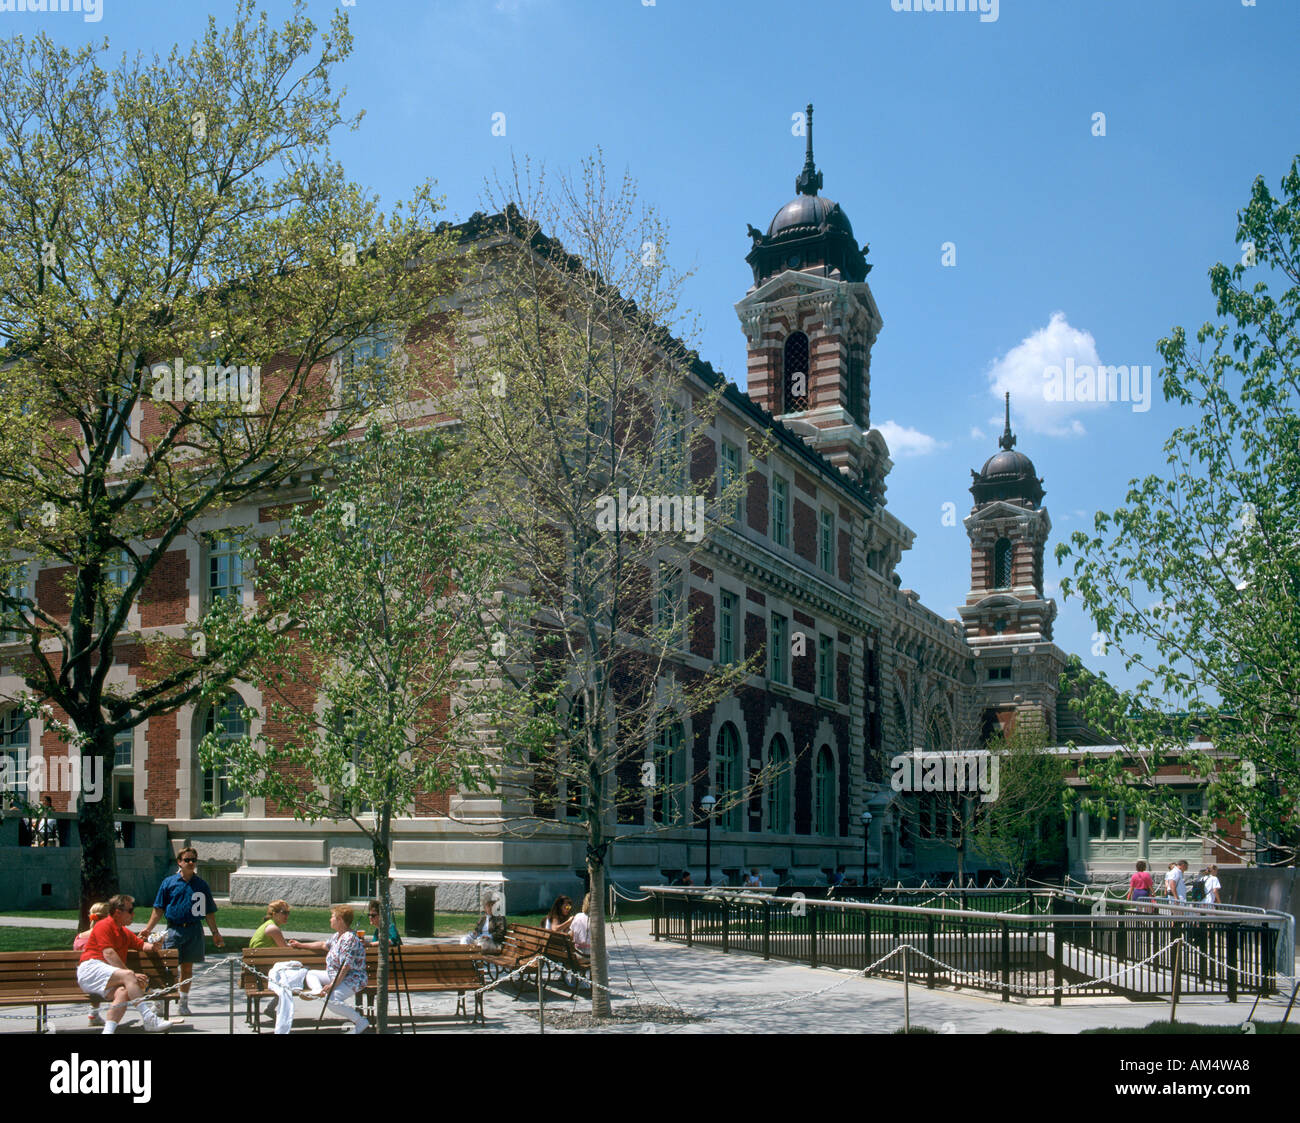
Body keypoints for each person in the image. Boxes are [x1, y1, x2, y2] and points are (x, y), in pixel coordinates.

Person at [139, 847, 225, 1017]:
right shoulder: (169, 883)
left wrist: (215, 932)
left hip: (194, 930)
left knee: (187, 968)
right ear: (179, 862)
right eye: (187, 860)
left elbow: (208, 911)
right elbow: (158, 909)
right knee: (168, 967)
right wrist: (148, 928)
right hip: (174, 929)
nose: (191, 863)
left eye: (194, 860)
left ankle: (183, 1002)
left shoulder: (201, 884)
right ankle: (162, 1003)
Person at [76, 894, 171, 1034]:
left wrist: (154, 946)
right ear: (118, 912)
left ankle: (108, 1031)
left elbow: (142, 945)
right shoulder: (104, 925)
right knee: (128, 976)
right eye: (130, 910)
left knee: (123, 992)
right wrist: (130, 975)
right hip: (90, 970)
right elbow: (108, 953)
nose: (133, 914)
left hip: (108, 976)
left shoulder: (124, 932)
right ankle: (148, 1018)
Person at [287, 905, 369, 1033]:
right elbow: (323, 945)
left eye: (332, 917)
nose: (330, 919)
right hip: (336, 975)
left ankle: (360, 1022)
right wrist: (300, 944)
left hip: (353, 978)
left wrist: (332, 985)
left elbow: (345, 967)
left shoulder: (349, 939)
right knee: (311, 974)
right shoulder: (337, 936)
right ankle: (317, 990)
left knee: (332, 1000)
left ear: (340, 919)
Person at [73, 902, 109, 1027]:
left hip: (81, 980)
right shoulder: (105, 936)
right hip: (103, 981)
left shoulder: (79, 937)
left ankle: (94, 1014)